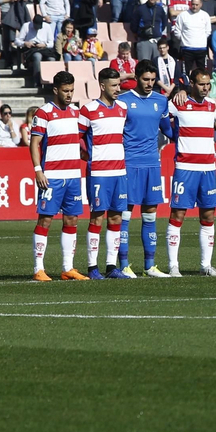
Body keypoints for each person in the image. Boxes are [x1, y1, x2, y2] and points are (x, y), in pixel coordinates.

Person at [30, 72, 90, 281]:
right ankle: (39, 268)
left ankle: (68, 268)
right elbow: (35, 143)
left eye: (72, 90)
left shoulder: (76, 113)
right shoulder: (44, 113)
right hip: (52, 176)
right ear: (55, 90)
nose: (69, 94)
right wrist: (38, 170)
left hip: (73, 176)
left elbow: (80, 143)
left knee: (72, 219)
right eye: (65, 91)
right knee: (46, 219)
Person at [116, 60, 174, 278]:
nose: (149, 84)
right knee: (125, 214)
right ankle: (123, 265)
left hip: (152, 163)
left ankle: (149, 266)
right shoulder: (122, 101)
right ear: (136, 78)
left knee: (150, 215)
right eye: (145, 79)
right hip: (129, 163)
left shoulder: (161, 101)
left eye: (152, 79)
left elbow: (170, 131)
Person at [166, 65, 216, 277]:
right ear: (192, 84)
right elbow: (162, 117)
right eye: (201, 84)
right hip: (186, 168)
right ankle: (173, 265)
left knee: (208, 215)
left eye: (208, 84)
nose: (206, 88)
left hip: (208, 168)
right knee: (178, 214)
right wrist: (177, 92)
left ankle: (206, 265)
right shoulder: (179, 103)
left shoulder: (213, 106)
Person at [78, 68, 131, 281]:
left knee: (117, 216)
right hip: (99, 172)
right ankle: (92, 267)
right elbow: (78, 136)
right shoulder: (88, 110)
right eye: (114, 85)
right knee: (97, 217)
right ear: (102, 86)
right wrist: (88, 155)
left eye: (119, 85)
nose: (118, 89)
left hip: (119, 171)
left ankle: (111, 266)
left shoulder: (123, 108)